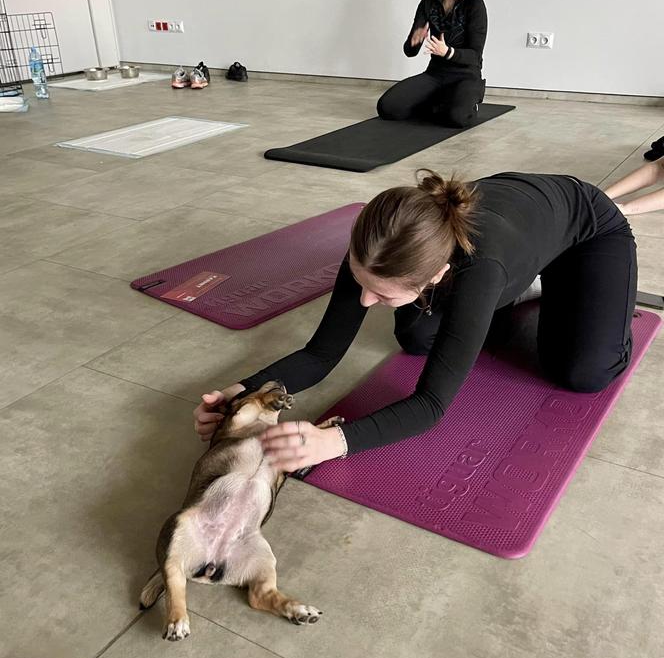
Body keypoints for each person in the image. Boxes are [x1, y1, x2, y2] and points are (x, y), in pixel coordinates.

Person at [194, 171, 637, 473]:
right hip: (514, 219)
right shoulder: (375, 249)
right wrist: (240, 394)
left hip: (588, 229)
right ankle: (516, 289)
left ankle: (558, 291)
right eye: (363, 283)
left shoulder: (480, 271)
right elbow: (320, 353)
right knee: (416, 335)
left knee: (584, 371)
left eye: (382, 293)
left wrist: (335, 442)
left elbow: (430, 406)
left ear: (438, 275)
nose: (365, 300)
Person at [376, 0, 487, 128]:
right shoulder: (428, 3)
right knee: (388, 108)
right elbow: (410, 52)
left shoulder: (475, 4)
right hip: (435, 74)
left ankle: (467, 99)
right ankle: (440, 102)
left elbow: (475, 56)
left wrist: (448, 52)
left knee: (458, 117)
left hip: (466, 76)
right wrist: (415, 41)